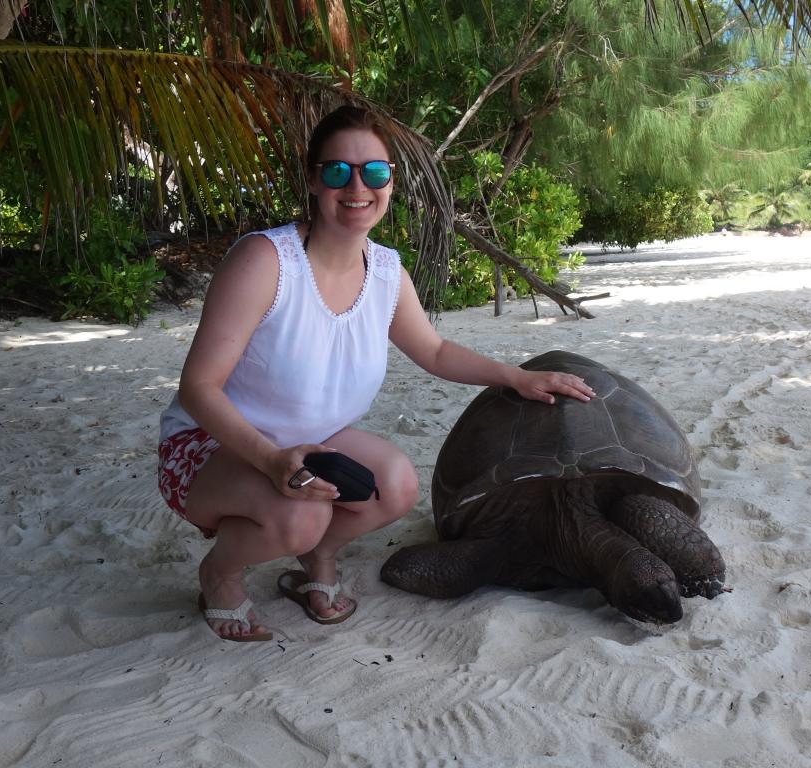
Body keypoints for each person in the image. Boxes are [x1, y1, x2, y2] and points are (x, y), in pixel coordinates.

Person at [157, 105, 595, 642]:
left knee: (397, 485)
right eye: (338, 171)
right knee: (300, 515)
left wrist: (516, 376)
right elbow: (198, 388)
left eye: (375, 172)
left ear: (390, 181)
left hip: (310, 442)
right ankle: (219, 574)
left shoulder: (386, 271)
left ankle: (317, 558)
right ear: (314, 180)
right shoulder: (265, 261)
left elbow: (433, 351)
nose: (357, 186)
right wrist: (271, 460)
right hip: (210, 444)